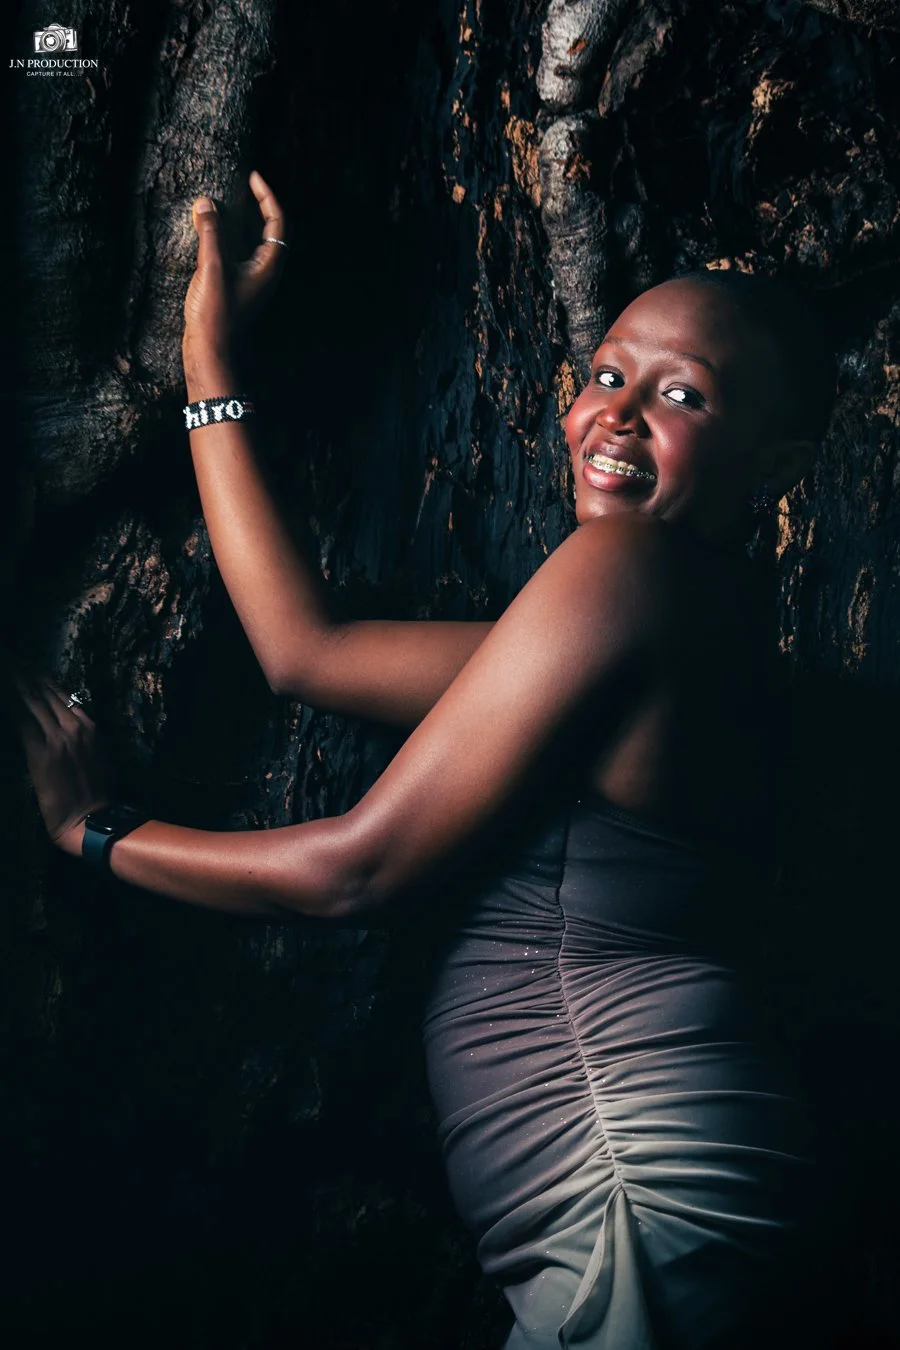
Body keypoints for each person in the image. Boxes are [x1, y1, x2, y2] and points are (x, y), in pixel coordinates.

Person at [16, 171, 838, 1349]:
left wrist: (93, 834)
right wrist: (209, 369)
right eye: (608, 374)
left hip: (640, 1200)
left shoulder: (632, 579)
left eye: (683, 398)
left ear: (776, 470)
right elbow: (307, 650)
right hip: (671, 1198)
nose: (617, 415)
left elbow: (355, 873)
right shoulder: (681, 619)